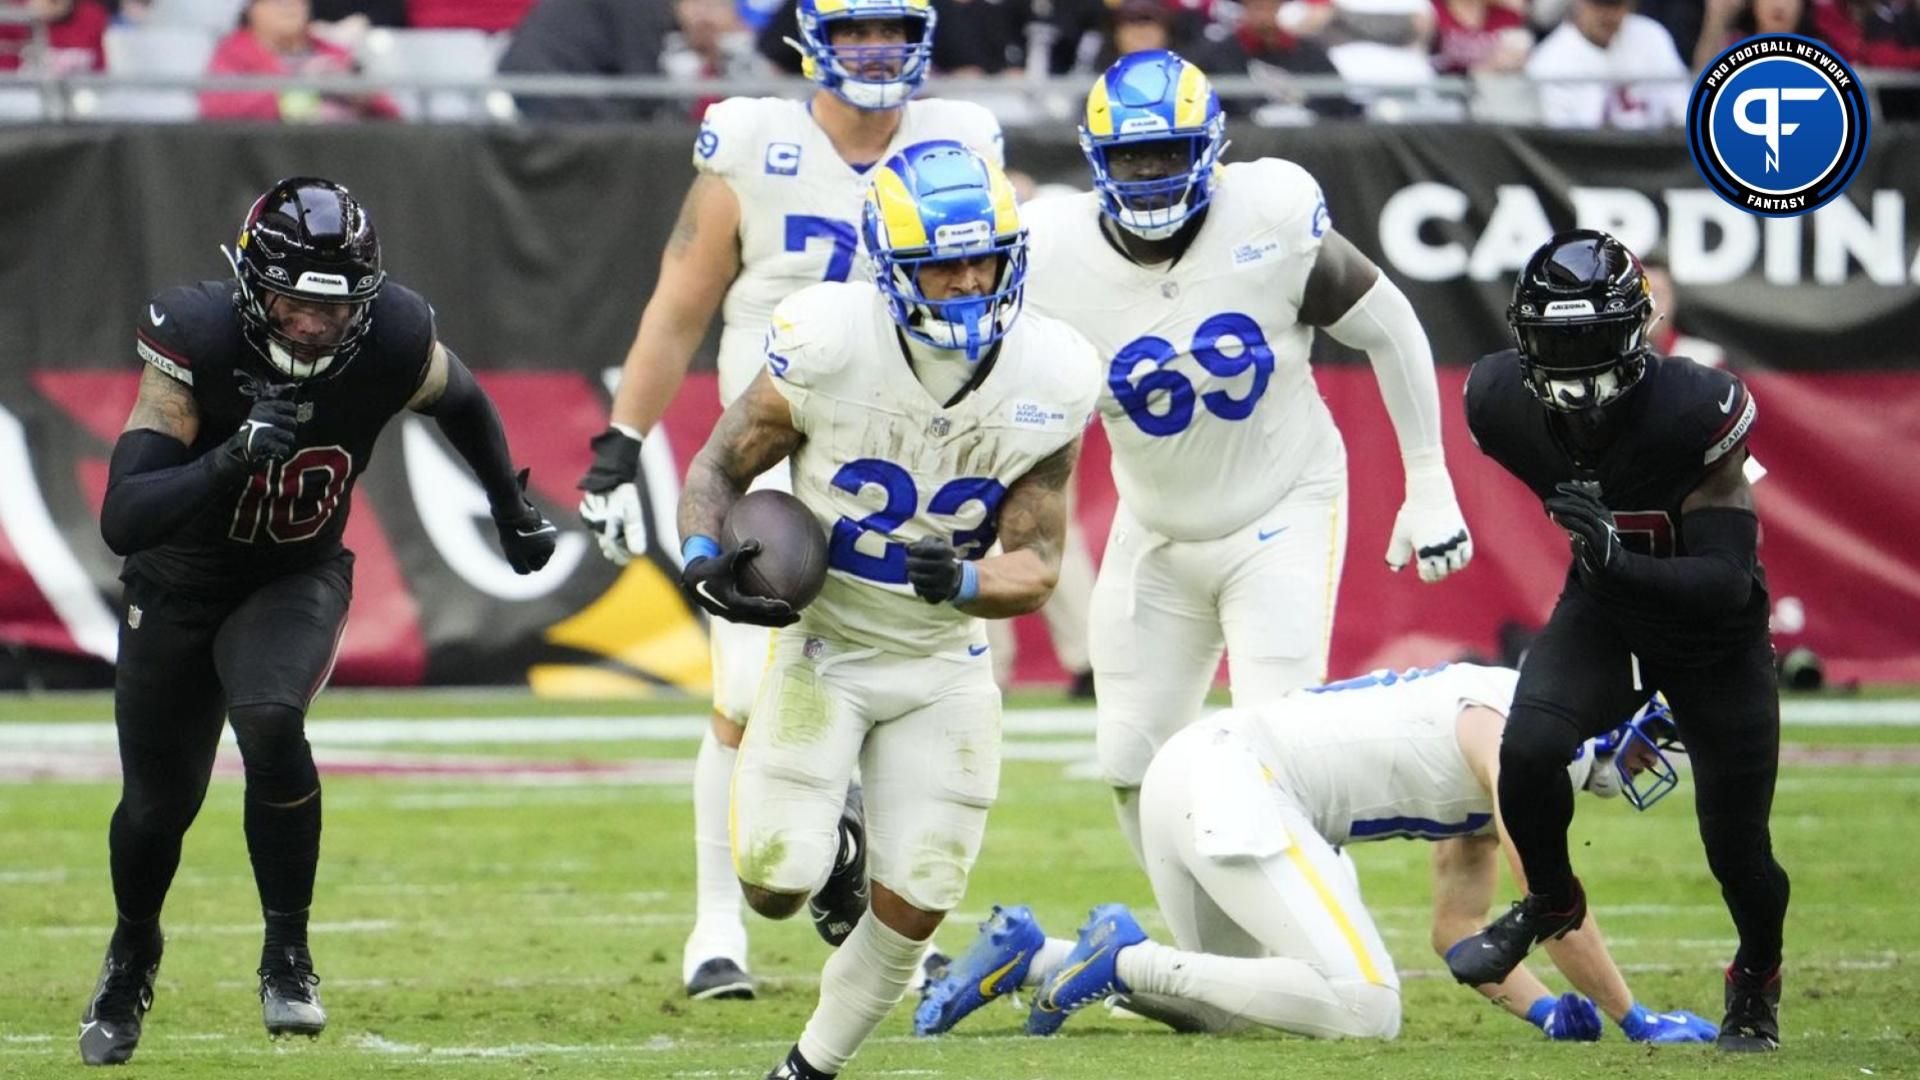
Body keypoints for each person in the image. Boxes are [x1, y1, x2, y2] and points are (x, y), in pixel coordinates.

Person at [574, 0, 1002, 1002]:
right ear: (812, 37)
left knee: (911, 693)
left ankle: (882, 915)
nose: (875, 49)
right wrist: (619, 444)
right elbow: (677, 310)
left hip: (908, 460)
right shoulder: (756, 143)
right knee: (742, 691)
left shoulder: (959, 142)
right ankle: (718, 926)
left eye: (892, 27)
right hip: (770, 460)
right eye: (853, 30)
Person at [77, 178, 557, 1066]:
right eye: (294, 303)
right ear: (254, 287)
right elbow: (123, 517)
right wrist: (228, 456)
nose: (311, 326)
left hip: (294, 574)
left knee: (270, 718)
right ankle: (132, 947)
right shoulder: (199, 338)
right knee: (157, 806)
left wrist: (508, 506)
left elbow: (460, 397)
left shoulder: (397, 337)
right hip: (177, 583)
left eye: (332, 311)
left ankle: (287, 954)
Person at [675, 141, 1103, 1080]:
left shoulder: (1055, 374)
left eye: (981, 258)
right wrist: (705, 553)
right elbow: (718, 465)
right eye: (939, 263)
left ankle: (809, 1067)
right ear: (889, 266)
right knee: (775, 884)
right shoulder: (828, 340)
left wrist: (963, 584)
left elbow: (1035, 564)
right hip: (826, 645)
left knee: (922, 898)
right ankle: (837, 850)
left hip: (944, 663)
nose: (963, 280)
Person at [1020, 50, 1473, 873]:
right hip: (1153, 526)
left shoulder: (1267, 213)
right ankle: (1208, 968)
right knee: (1130, 762)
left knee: (1277, 756)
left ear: (1212, 150)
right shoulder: (1048, 251)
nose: (1152, 173)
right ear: (1096, 161)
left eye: (1170, 152)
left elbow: (1390, 325)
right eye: (1132, 156)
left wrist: (1430, 477)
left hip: (1282, 508)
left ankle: (1320, 957)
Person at [918, 663, 1718, 1044]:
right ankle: (1123, 961)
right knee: (1368, 1008)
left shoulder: (1507, 717)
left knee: (1235, 1012)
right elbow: (1550, 895)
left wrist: (1546, 1009)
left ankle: (1030, 956)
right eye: (1654, 741)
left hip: (1200, 775)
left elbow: (1458, 927)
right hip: (1237, 781)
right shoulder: (1514, 732)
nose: (1653, 761)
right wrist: (1635, 1018)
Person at [1446, 230, 1787, 1053]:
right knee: (1528, 747)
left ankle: (1757, 979)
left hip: (1715, 640)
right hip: (1606, 612)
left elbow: (1726, 581)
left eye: (1591, 338)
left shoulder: (1691, 409)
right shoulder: (1500, 401)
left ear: (1636, 332)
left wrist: (1615, 555)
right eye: (1555, 341)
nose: (1573, 361)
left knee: (1738, 849)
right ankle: (1553, 899)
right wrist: (1607, 567)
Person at [200, 0, 400, 123]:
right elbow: (218, 109)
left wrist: (359, 95)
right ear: (251, 9)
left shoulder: (332, 52)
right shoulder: (234, 52)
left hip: (347, 152)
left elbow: (389, 113)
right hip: (272, 159)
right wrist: (298, 85)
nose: (290, 4)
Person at [1525, 0, 1688, 129]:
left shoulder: (1652, 36)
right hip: (1588, 166)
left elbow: (1684, 114)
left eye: (1616, 4)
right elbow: (1562, 146)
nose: (1608, 15)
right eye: (1599, 4)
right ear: (1578, 4)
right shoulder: (1549, 62)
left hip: (1656, 161)